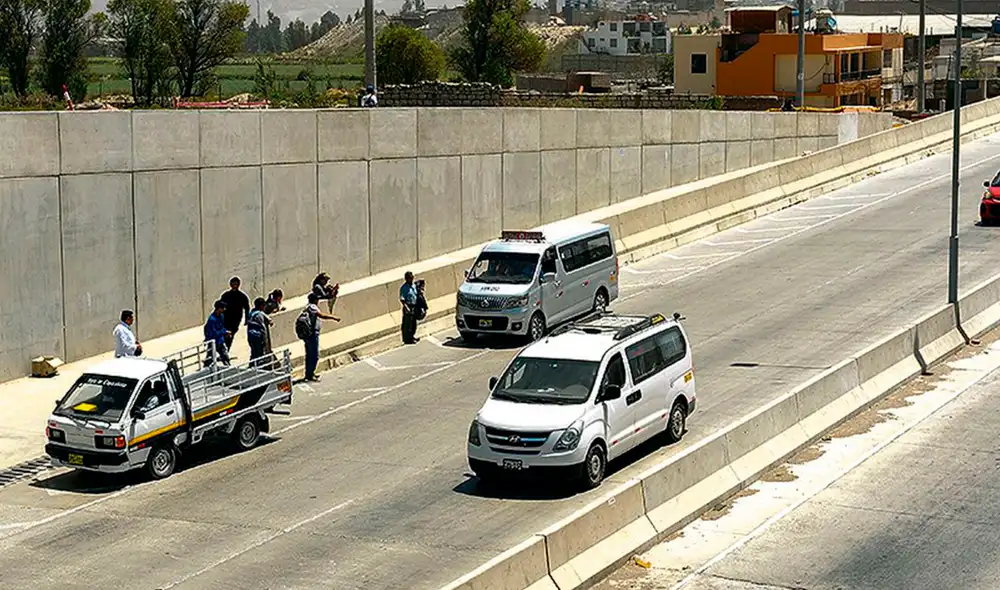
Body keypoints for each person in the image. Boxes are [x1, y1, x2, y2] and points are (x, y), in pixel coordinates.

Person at [299, 292, 340, 382]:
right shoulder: (313, 307)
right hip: (312, 334)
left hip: (307, 334)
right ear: (315, 300)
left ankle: (309, 373)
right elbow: (321, 315)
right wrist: (334, 318)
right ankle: (309, 375)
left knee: (309, 355)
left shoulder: (306, 307)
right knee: (314, 355)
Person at [220, 276, 251, 353]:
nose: (234, 285)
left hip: (235, 320)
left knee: (230, 336)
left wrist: (247, 319)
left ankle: (225, 351)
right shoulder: (225, 295)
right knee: (223, 335)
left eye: (236, 284)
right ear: (230, 284)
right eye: (233, 284)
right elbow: (220, 306)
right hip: (225, 319)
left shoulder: (242, 296)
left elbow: (247, 308)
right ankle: (223, 351)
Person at [246, 297, 273, 365]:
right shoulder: (259, 315)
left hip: (250, 335)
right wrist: (265, 339)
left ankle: (252, 365)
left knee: (253, 352)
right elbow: (262, 327)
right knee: (259, 353)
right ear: (261, 306)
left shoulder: (251, 312)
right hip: (257, 336)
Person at [204, 300, 231, 366]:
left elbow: (221, 327)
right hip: (213, 342)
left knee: (225, 356)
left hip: (220, 340)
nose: (224, 309)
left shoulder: (221, 316)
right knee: (210, 358)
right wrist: (224, 332)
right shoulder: (212, 320)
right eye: (223, 308)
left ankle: (227, 367)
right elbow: (214, 333)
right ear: (219, 308)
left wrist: (225, 332)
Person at [400, 271, 419, 344]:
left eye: (412, 278)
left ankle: (412, 336)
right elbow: (402, 299)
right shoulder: (404, 288)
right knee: (408, 324)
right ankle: (408, 339)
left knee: (413, 323)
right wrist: (406, 307)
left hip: (414, 306)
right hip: (408, 306)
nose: (412, 279)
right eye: (410, 278)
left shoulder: (413, 285)